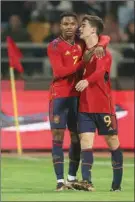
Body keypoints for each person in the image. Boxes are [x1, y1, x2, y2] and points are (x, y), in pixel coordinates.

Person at [47, 12, 110, 191]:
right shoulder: (54, 46)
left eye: (72, 24)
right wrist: (83, 63)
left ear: (76, 26)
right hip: (58, 97)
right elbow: (59, 72)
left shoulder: (81, 42)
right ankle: (60, 182)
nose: (69, 27)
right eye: (65, 24)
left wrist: (102, 45)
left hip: (77, 97)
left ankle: (71, 178)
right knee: (58, 137)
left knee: (76, 137)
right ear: (60, 26)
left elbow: (104, 36)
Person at [72, 15, 123, 192]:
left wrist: (87, 81)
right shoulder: (82, 48)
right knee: (85, 140)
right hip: (85, 106)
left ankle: (116, 185)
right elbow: (104, 37)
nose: (80, 28)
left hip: (103, 106)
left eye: (83, 25)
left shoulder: (104, 53)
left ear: (93, 30)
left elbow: (101, 71)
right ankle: (87, 181)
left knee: (112, 141)